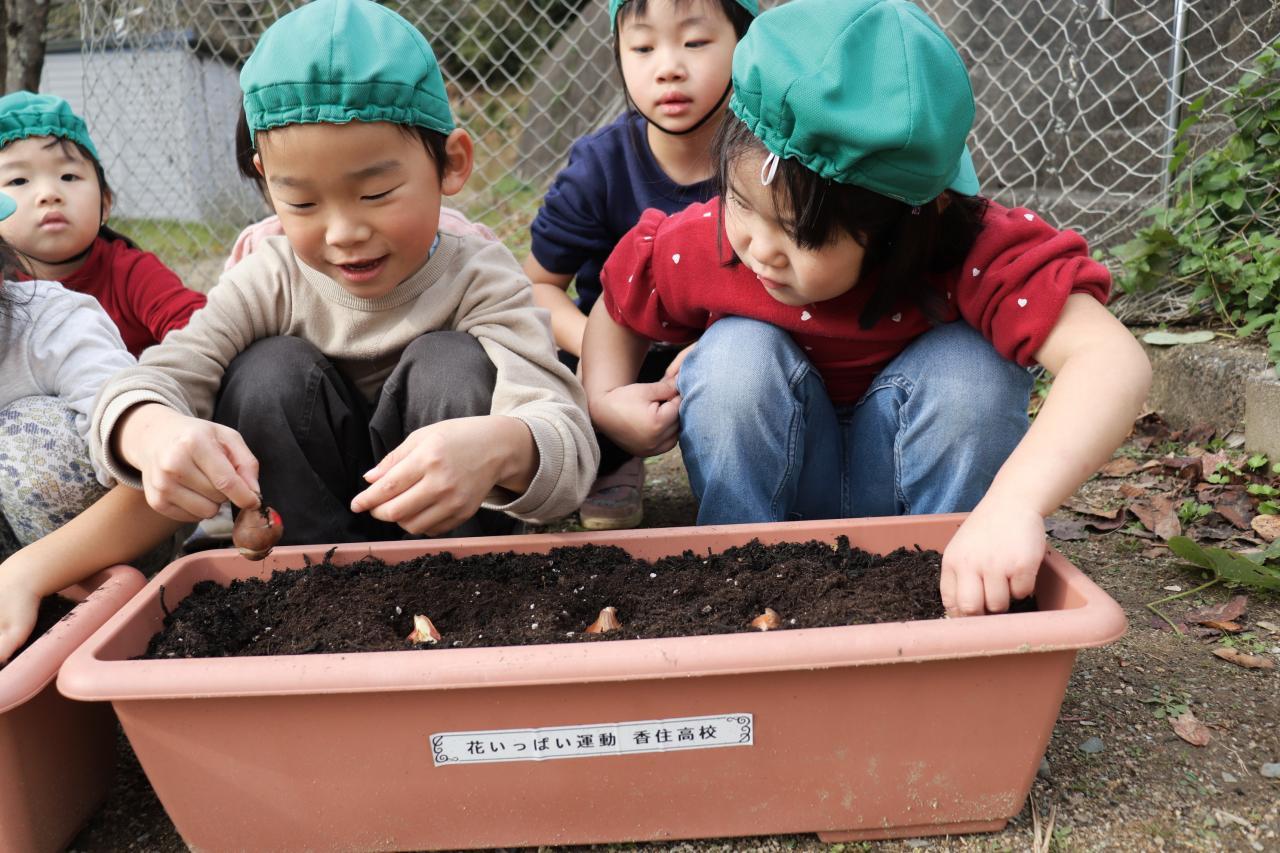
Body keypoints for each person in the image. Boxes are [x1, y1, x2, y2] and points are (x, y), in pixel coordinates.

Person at [581, 0, 1151, 616]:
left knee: (973, 369)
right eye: (740, 202)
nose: (759, 248)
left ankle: (952, 581)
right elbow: (622, 298)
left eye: (799, 233)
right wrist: (607, 401)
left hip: (925, 509)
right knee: (733, 356)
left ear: (902, 227)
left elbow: (1109, 360)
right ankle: (738, 581)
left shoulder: (970, 248)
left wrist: (1013, 507)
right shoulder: (711, 242)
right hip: (775, 503)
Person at [90, 0, 598, 546]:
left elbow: (568, 439)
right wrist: (150, 430)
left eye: (376, 193)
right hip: (307, 553)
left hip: (461, 550)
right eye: (303, 203)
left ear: (451, 164)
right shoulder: (271, 277)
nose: (343, 233)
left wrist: (501, 446)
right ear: (267, 182)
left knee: (451, 364)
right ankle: (306, 576)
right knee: (265, 373)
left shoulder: (477, 275)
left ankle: (457, 568)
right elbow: (160, 376)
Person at [523, 0, 756, 530]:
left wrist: (710, 357)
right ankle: (608, 458)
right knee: (544, 368)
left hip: (730, 352)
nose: (668, 67)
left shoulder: (769, 161)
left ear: (746, 48)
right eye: (643, 47)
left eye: (695, 42)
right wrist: (602, 356)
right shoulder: (599, 165)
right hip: (616, 353)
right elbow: (537, 287)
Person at [0, 189, 165, 661]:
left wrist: (26, 574)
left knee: (31, 438)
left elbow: (166, 487)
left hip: (86, 551)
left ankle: (113, 622)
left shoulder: (51, 325)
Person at [0, 92, 206, 357]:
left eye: (68, 176)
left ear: (105, 203)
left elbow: (203, 334)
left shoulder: (131, 274)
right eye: (19, 181)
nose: (49, 194)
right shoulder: (6, 287)